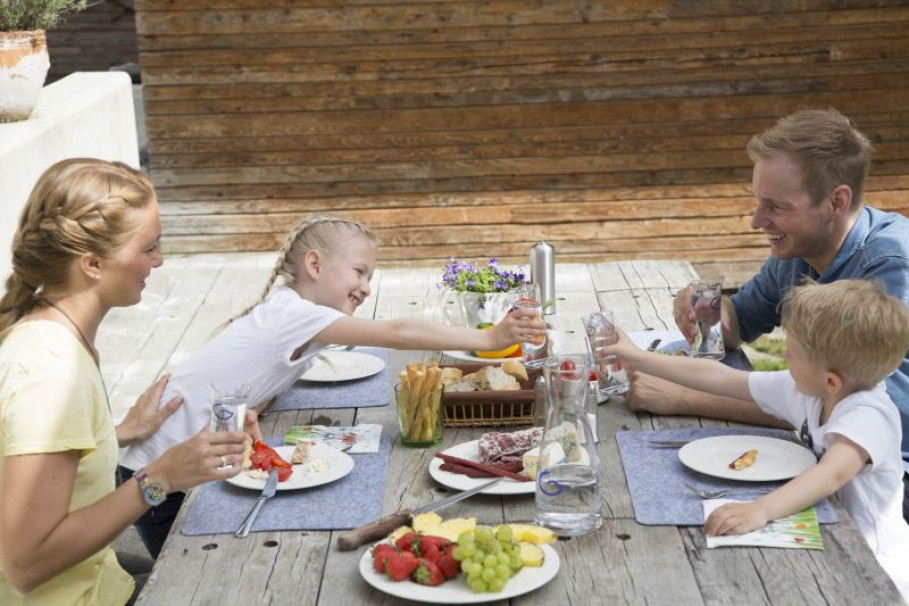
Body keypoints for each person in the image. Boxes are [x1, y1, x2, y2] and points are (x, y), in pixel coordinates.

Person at [119, 213, 544, 556]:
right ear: (315, 265)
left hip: (166, 465)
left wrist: (250, 410)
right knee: (203, 564)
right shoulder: (296, 314)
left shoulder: (289, 309)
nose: (365, 287)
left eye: (370, 278)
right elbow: (398, 332)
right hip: (161, 482)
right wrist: (489, 339)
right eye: (359, 271)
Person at [625, 108, 909, 520]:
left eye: (775, 206)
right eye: (758, 202)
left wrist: (685, 398)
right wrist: (707, 310)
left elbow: (858, 402)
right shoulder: (800, 248)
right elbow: (738, 323)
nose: (757, 221)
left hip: (883, 492)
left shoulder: (892, 265)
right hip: (820, 461)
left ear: (837, 201)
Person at [0, 159, 249, 605]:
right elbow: (24, 564)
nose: (159, 260)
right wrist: (160, 478)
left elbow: (28, 467)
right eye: (148, 247)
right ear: (93, 263)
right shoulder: (50, 371)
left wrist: (113, 437)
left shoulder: (50, 336)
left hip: (98, 577)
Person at [606, 279, 909, 599]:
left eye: (792, 352)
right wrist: (636, 357)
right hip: (827, 533)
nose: (784, 355)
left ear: (831, 380)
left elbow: (830, 474)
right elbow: (719, 377)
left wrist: (759, 510)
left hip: (874, 570)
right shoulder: (812, 390)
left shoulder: (868, 416)